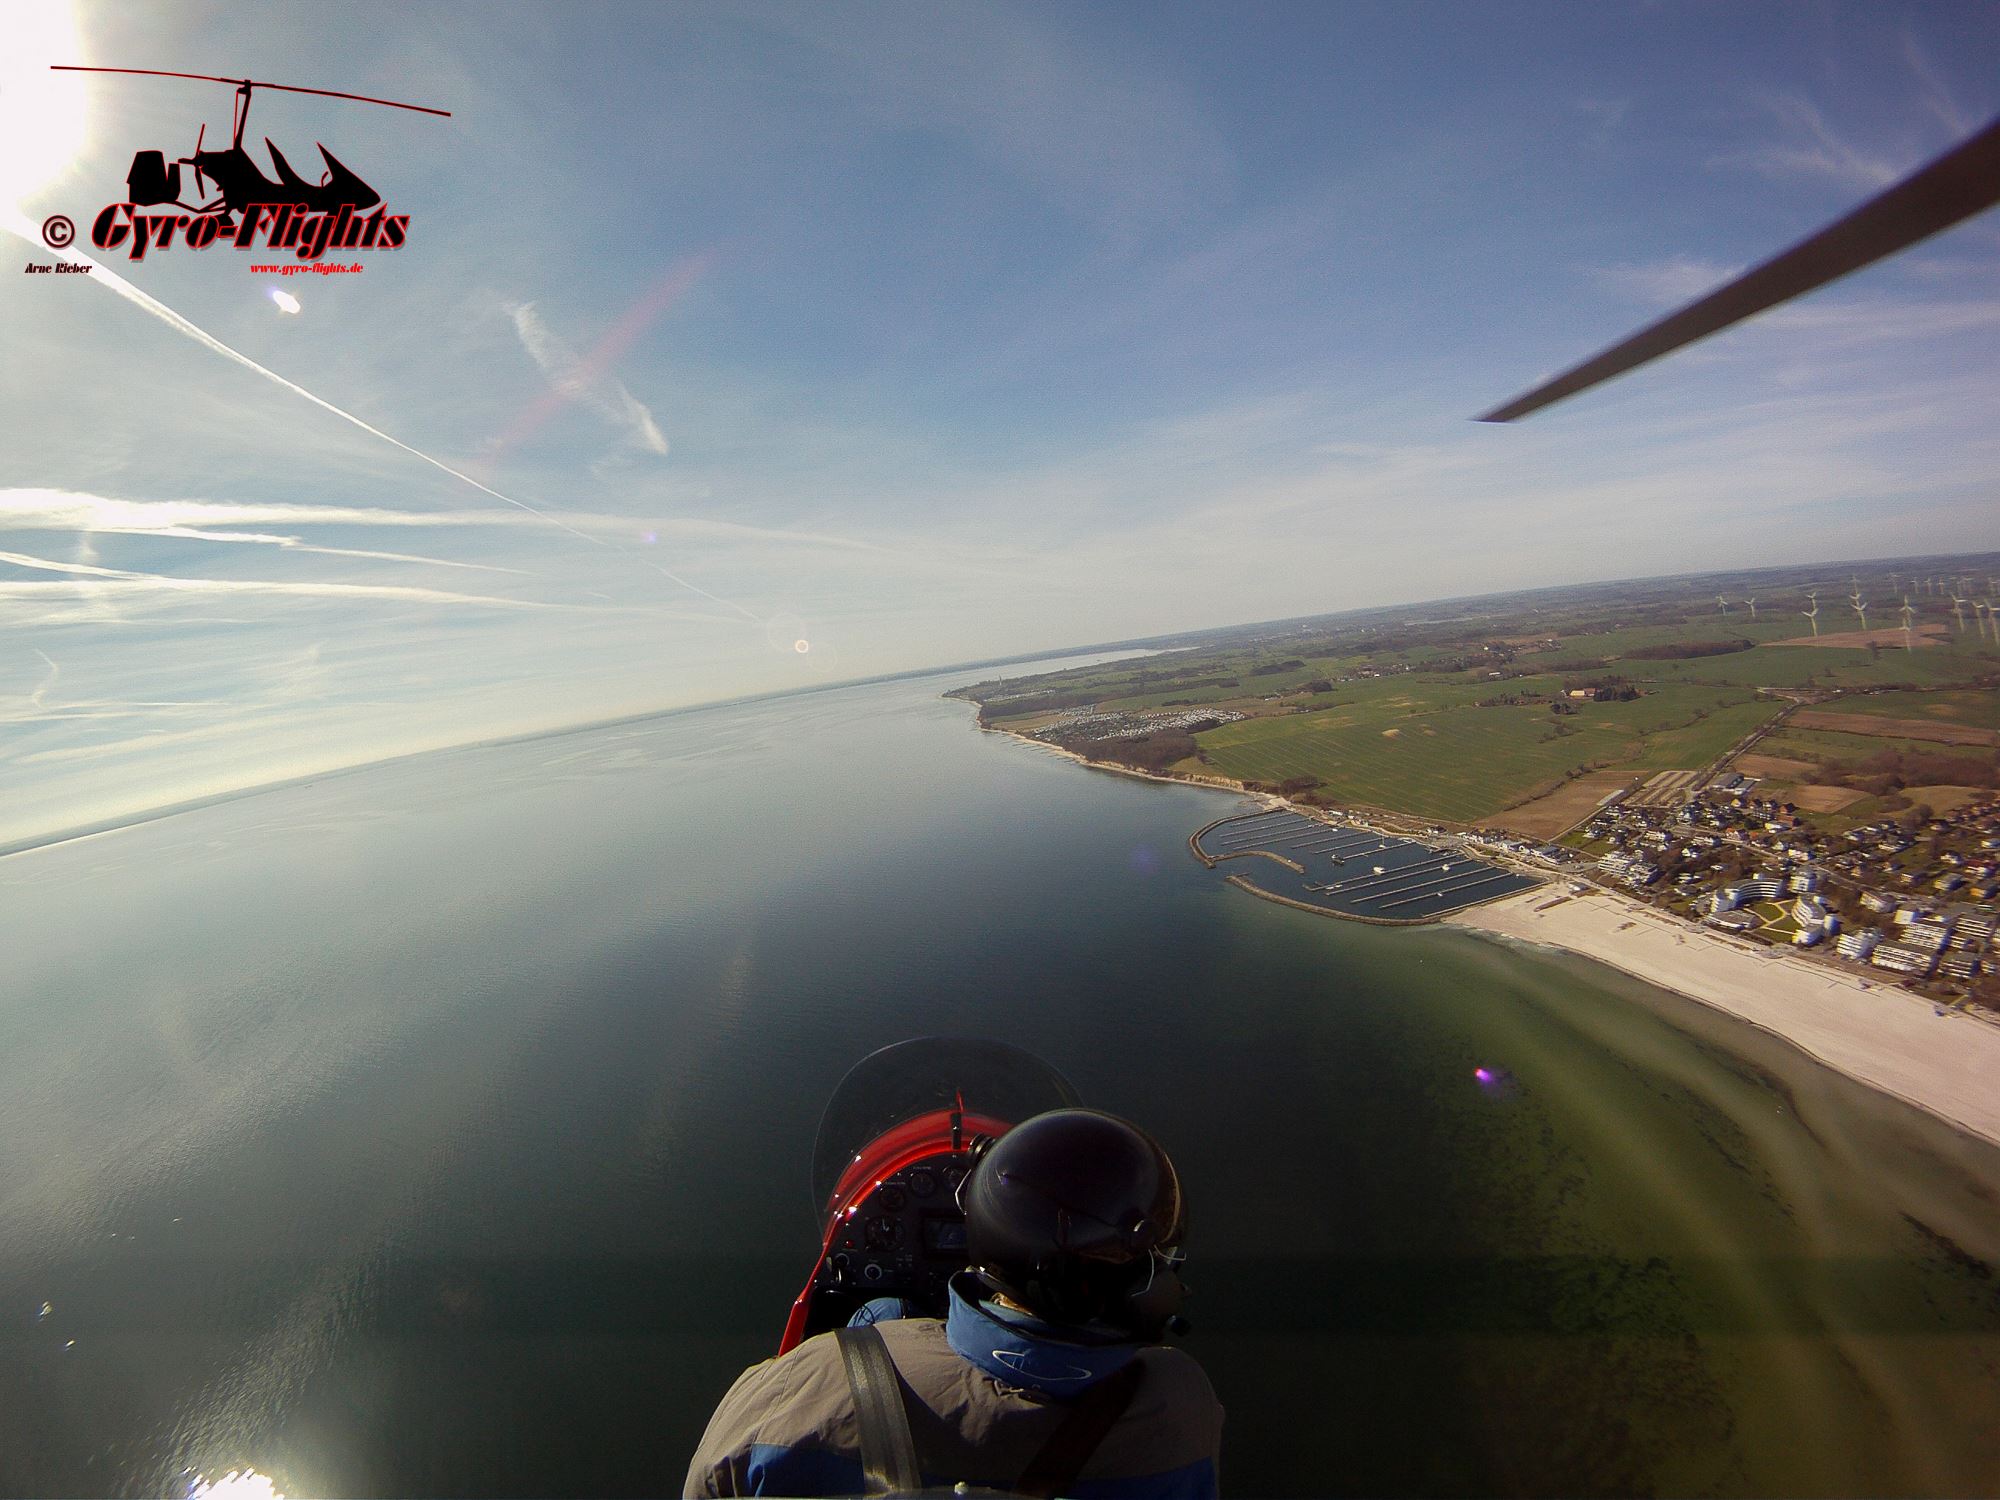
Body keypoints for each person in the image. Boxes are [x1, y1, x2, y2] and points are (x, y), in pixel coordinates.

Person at [684, 1109, 1223, 1497]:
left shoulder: (804, 1388)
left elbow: (708, 1486)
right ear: (1142, 1284)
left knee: (882, 1317)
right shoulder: (1182, 1405)